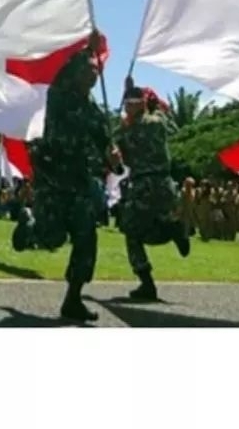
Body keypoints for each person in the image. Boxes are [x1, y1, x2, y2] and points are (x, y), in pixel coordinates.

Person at [24, 29, 112, 323]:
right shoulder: (59, 95)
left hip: (79, 181)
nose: (93, 76)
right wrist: (86, 45)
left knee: (86, 239)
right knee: (52, 238)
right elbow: (62, 71)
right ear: (74, 72)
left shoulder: (94, 110)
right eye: (88, 70)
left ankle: (73, 300)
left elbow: (104, 142)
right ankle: (29, 228)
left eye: (96, 71)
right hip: (52, 178)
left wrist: (113, 155)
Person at [115, 85, 190, 302]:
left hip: (142, 186)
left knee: (133, 233)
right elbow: (160, 108)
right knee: (154, 226)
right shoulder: (157, 122)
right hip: (165, 184)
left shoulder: (124, 133)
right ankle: (173, 230)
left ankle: (146, 283)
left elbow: (121, 161)